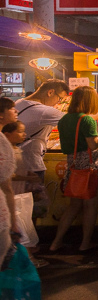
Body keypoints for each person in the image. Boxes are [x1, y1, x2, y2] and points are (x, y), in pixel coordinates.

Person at [49, 86, 98, 253]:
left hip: (73, 165)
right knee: (90, 206)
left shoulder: (64, 119)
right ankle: (85, 244)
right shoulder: (87, 120)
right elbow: (93, 143)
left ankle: (55, 242)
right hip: (90, 166)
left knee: (73, 206)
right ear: (89, 100)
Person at [15, 79, 68, 219]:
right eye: (60, 98)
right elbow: (76, 122)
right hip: (31, 165)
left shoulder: (19, 103)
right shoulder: (43, 111)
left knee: (17, 207)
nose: (59, 103)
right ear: (50, 92)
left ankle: (19, 236)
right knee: (30, 208)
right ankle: (27, 237)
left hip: (15, 163)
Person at [0, 98, 20, 264]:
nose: (16, 112)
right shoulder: (2, 143)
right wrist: (14, 223)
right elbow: (6, 187)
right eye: (12, 109)